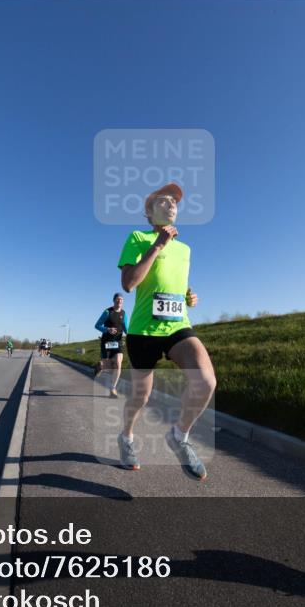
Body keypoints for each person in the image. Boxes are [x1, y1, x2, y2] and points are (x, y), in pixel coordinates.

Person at [115, 182, 217, 479]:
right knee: (141, 397)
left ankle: (179, 436)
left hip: (177, 325)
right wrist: (158, 244)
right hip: (143, 330)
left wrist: (188, 295)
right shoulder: (138, 237)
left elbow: (171, 281)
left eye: (175, 201)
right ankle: (126, 437)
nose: (172, 204)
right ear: (149, 212)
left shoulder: (185, 249)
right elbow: (129, 283)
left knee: (206, 381)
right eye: (163, 200)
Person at [94, 293, 129, 398]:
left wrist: (131, 336)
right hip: (107, 342)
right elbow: (97, 325)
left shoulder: (124, 313)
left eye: (121, 299)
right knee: (106, 366)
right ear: (114, 300)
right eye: (117, 299)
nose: (119, 301)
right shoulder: (107, 312)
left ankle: (113, 388)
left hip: (118, 342)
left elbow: (126, 328)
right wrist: (107, 329)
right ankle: (100, 366)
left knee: (118, 363)